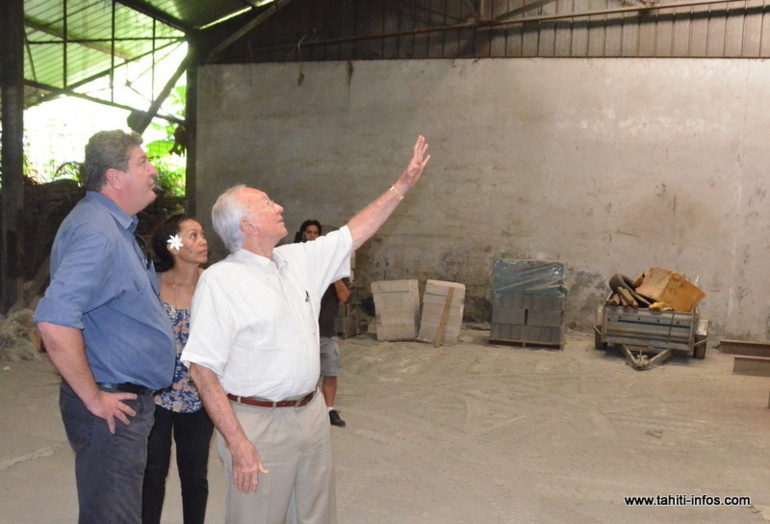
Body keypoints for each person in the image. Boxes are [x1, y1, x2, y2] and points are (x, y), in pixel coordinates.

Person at [181, 135, 430, 524]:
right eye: (267, 204)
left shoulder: (296, 259)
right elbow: (202, 370)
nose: (279, 206)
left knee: (315, 515)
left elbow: (354, 232)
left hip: (310, 413)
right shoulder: (220, 281)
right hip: (256, 421)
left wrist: (402, 186)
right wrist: (237, 442)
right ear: (247, 224)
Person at [34, 129, 176, 524]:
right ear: (115, 177)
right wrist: (94, 398)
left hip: (124, 402)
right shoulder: (97, 231)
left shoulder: (114, 227)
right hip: (112, 407)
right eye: (143, 162)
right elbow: (54, 320)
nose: (152, 171)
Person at [142, 214, 214, 524]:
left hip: (200, 396)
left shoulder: (214, 284)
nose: (203, 240)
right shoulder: (151, 284)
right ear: (173, 244)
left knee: (195, 476)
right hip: (155, 395)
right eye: (193, 235)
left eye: (202, 234)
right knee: (152, 472)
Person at [296, 219, 351, 428]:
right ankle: (305, 411)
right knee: (304, 375)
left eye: (315, 233)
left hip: (326, 332)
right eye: (308, 232)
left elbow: (345, 297)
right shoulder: (298, 265)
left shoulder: (332, 267)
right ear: (303, 235)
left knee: (330, 371)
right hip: (304, 332)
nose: (312, 236)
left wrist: (333, 274)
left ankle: (329, 410)